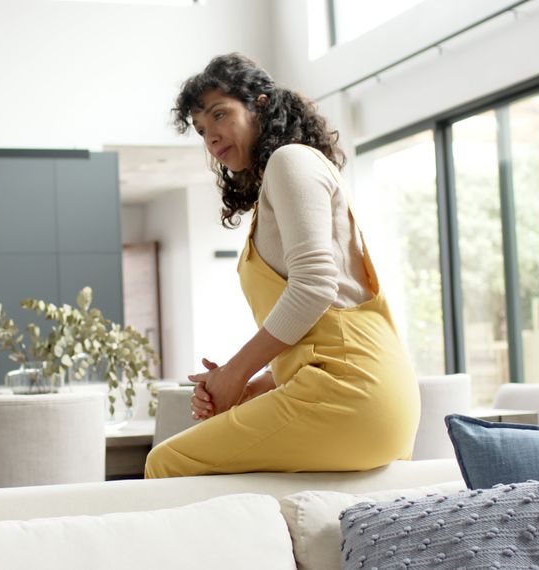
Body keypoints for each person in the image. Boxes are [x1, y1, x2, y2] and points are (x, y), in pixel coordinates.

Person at [144, 53, 420, 478]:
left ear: (261, 104)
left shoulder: (290, 160)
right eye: (201, 130)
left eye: (221, 115)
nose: (211, 137)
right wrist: (250, 389)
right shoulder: (288, 175)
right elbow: (322, 337)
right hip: (368, 392)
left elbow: (314, 289)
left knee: (167, 461)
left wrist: (235, 374)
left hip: (354, 393)